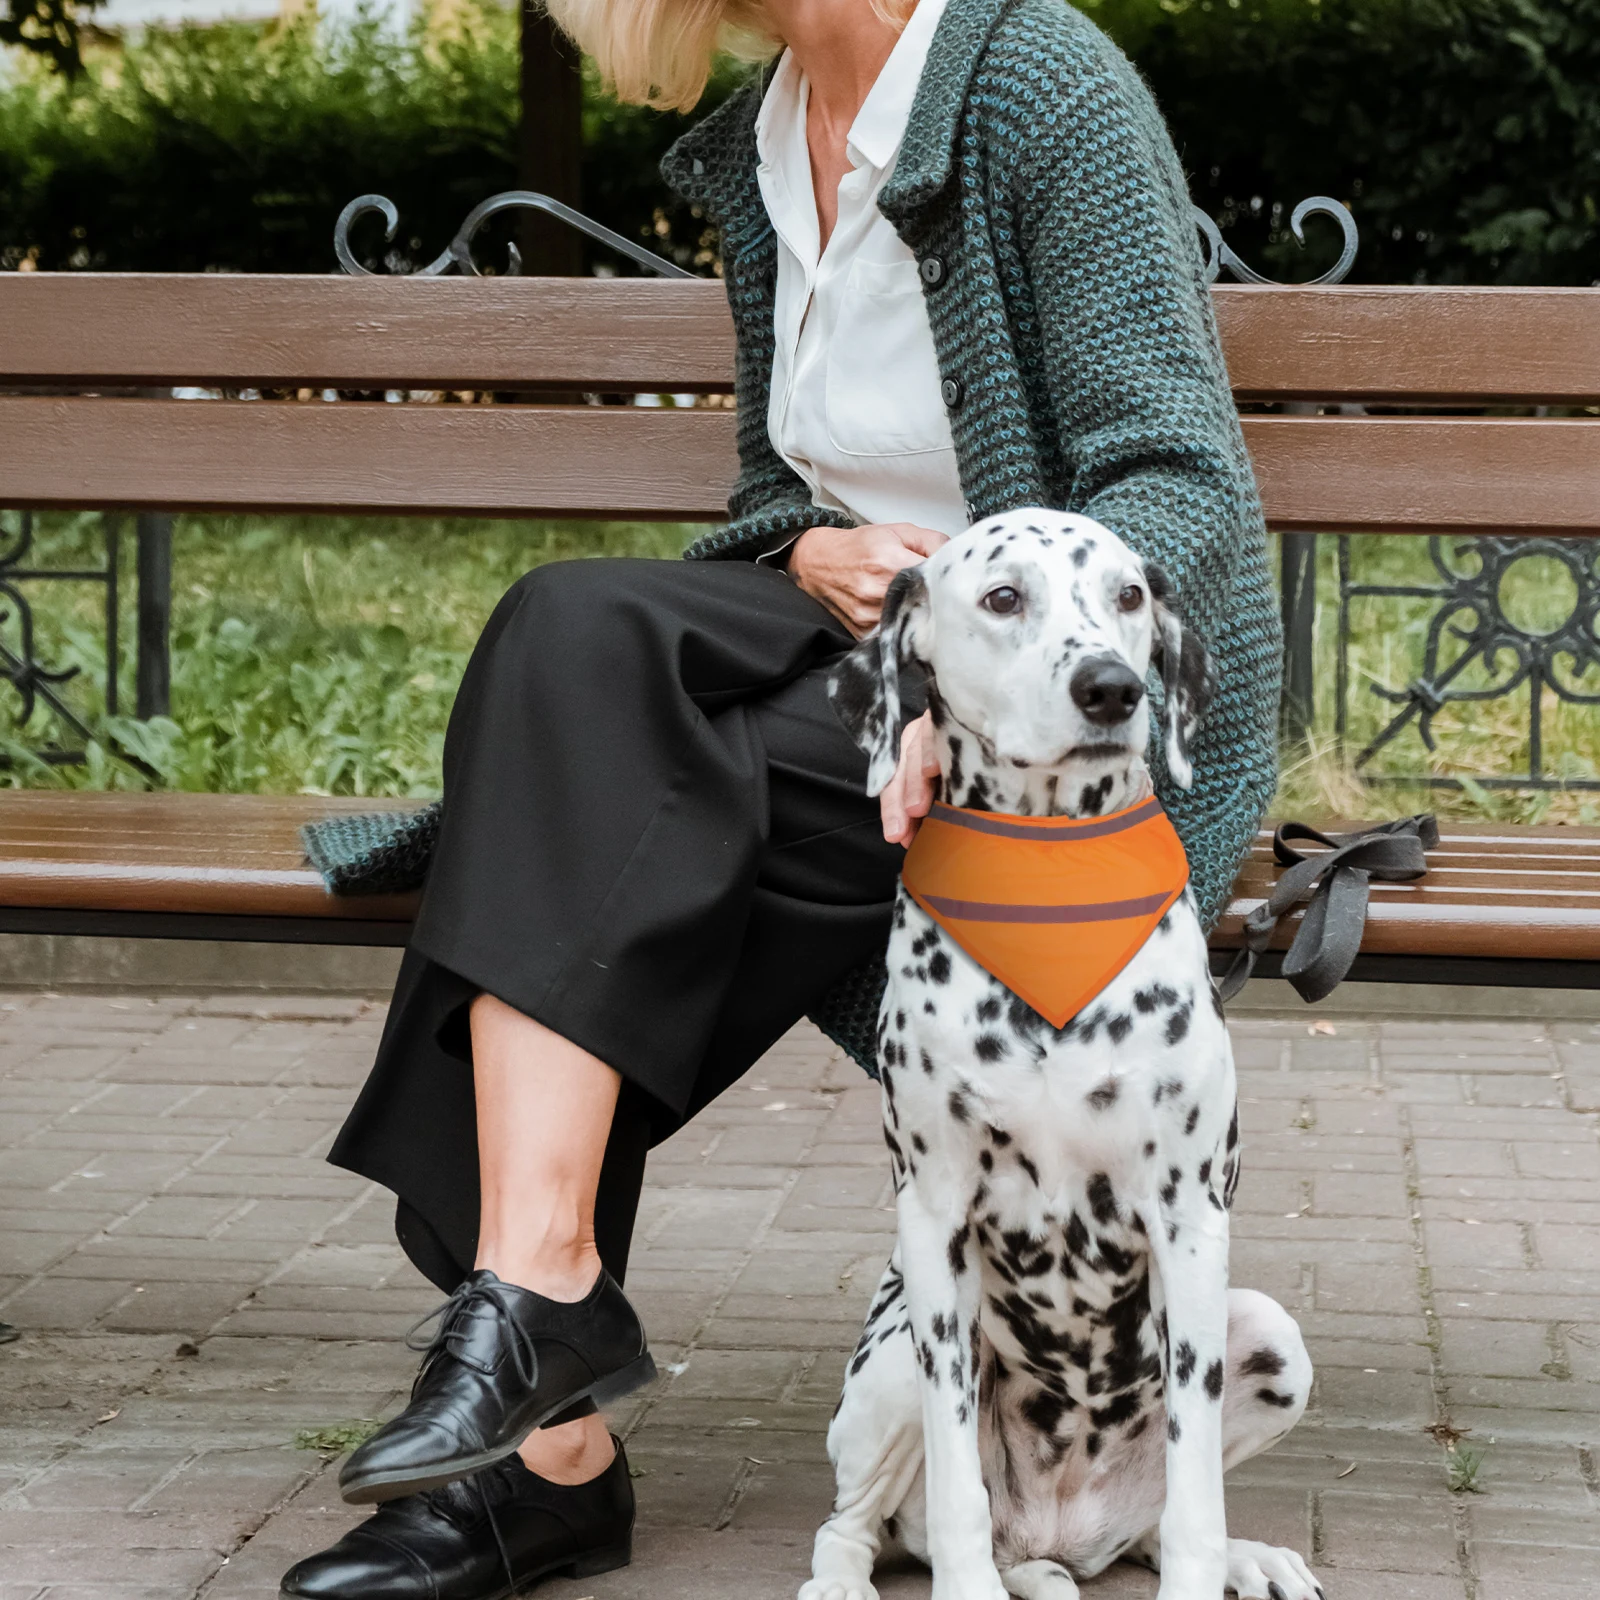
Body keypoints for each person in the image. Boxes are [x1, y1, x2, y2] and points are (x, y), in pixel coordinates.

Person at [279, 0, 1280, 1592]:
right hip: (851, 665)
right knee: (571, 632)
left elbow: (1174, 477)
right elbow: (782, 489)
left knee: (605, 821)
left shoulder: (1037, 88)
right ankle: (537, 1313)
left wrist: (986, 673)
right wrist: (802, 546)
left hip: (1042, 721)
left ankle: (543, 1443)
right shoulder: (763, 145)